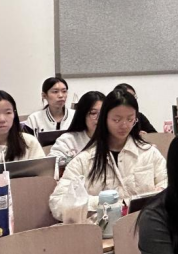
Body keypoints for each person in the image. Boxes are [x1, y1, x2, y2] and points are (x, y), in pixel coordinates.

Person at [49, 89, 167, 221]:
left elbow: (169, 184)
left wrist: (161, 193)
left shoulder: (148, 153)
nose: (124, 125)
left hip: (145, 226)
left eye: (130, 119)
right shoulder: (84, 159)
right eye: (117, 120)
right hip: (101, 230)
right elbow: (57, 203)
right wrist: (101, 202)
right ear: (104, 119)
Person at [50, 91, 105, 165]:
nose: (99, 118)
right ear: (83, 115)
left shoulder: (113, 139)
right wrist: (76, 160)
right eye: (93, 113)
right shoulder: (68, 140)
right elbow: (53, 162)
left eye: (103, 113)